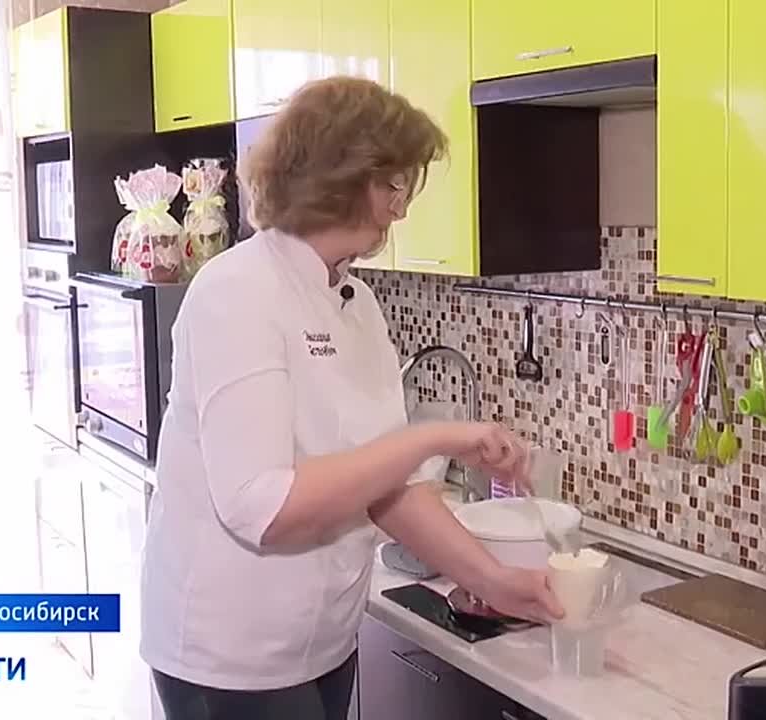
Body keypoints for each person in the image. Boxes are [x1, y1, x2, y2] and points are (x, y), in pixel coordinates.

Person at [139, 76, 564, 720]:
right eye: (394, 185)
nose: (401, 210)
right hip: (229, 653)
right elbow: (262, 506)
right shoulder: (237, 291)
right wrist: (433, 437)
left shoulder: (356, 303)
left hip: (324, 642)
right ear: (340, 178)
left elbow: (389, 486)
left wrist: (494, 581)